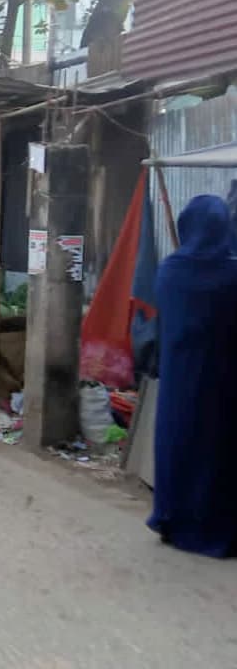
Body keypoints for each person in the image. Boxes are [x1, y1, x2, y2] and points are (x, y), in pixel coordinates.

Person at [147, 194, 237, 559]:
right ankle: (216, 529)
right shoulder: (232, 275)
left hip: (179, 381)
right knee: (217, 454)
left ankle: (172, 519)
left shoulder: (170, 272)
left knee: (178, 446)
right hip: (223, 382)